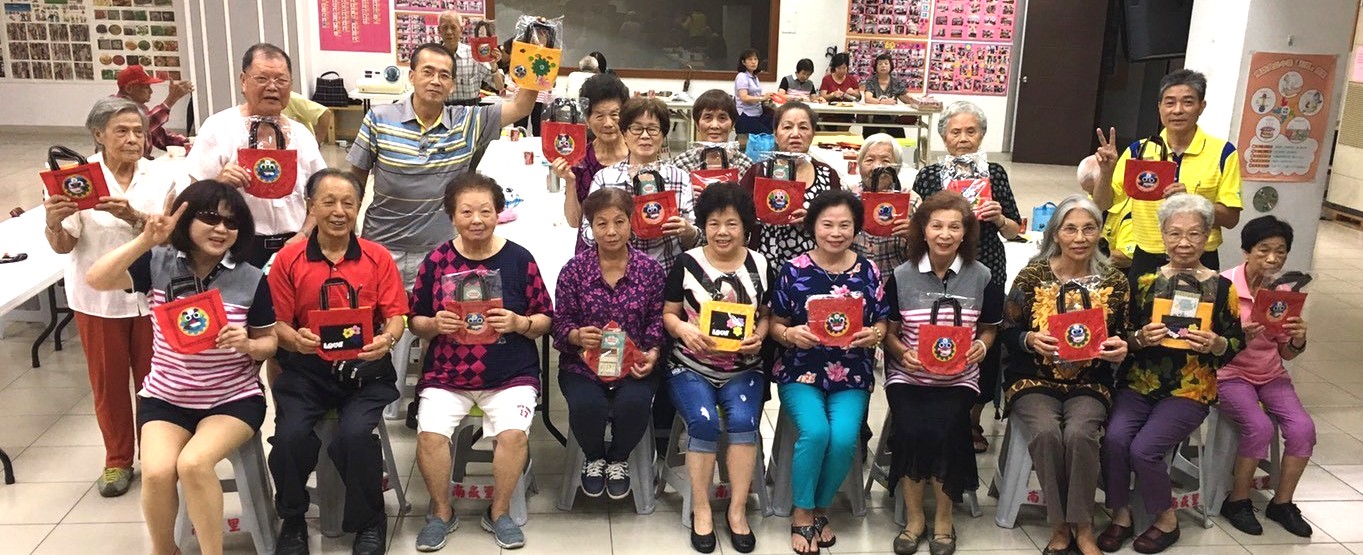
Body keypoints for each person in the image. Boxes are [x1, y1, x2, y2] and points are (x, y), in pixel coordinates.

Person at [85, 181, 277, 555]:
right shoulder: (158, 263)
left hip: (232, 399)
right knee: (157, 472)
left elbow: (268, 342)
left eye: (231, 222)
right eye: (210, 218)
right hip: (166, 398)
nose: (221, 229)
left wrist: (248, 344)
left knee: (193, 464)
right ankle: (164, 550)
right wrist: (146, 240)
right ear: (185, 219)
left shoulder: (251, 277)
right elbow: (96, 279)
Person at [266, 170, 410, 555]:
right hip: (306, 371)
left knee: (355, 436)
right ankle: (293, 519)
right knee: (290, 438)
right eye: (328, 202)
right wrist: (294, 339)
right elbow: (276, 323)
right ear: (310, 206)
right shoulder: (288, 259)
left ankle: (370, 522)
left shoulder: (377, 257)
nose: (339, 211)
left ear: (359, 207)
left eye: (348, 203)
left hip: (364, 372)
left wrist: (387, 339)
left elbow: (396, 315)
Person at [409, 173, 553, 551]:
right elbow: (414, 320)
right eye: (467, 212)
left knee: (513, 435)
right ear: (452, 216)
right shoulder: (436, 261)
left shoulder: (519, 259)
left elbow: (546, 319)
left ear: (499, 213)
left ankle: (499, 512)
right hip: (447, 374)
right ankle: (441, 513)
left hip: (510, 374)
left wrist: (520, 323)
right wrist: (434, 324)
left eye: (486, 211)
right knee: (430, 435)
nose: (477, 220)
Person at [42, 97, 175, 497]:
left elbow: (172, 237)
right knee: (109, 385)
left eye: (139, 131)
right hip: (97, 301)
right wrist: (53, 223)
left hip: (151, 296)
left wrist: (132, 216)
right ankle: (117, 460)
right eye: (122, 131)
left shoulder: (162, 175)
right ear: (98, 135)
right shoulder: (76, 178)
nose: (133, 139)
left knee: (156, 383)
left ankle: (157, 457)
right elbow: (65, 245)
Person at [1098, 193, 1245, 554]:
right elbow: (1120, 335)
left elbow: (1235, 341)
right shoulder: (1143, 282)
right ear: (1162, 235)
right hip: (1139, 382)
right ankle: (1121, 514)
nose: (1183, 242)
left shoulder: (1222, 288)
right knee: (1115, 440)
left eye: (1194, 234)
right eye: (1175, 233)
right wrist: (1138, 338)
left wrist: (1216, 344)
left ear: (1207, 236)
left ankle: (1166, 519)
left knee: (1145, 449)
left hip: (1190, 387)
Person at [999, 195, 1131, 555]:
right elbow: (1007, 330)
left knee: (1080, 434)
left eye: (1089, 228)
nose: (1080, 237)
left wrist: (1121, 346)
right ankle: (1060, 526)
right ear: (1055, 234)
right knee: (1046, 433)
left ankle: (1083, 527)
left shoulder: (1115, 281)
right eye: (1070, 229)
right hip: (1033, 379)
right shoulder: (1033, 276)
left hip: (1090, 381)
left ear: (1100, 232)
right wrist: (1029, 339)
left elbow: (1125, 333)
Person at [348, 42, 538, 288]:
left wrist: (537, 55)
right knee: (379, 312)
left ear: (452, 85)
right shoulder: (379, 118)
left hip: (439, 252)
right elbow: (356, 179)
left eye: (444, 75)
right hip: (381, 247)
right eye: (428, 72)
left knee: (436, 313)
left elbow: (521, 107)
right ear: (412, 76)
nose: (435, 81)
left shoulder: (467, 121)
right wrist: (348, 232)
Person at [881, 192, 1003, 555]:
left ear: (966, 233)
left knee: (949, 426)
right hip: (909, 376)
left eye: (954, 227)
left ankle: (944, 520)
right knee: (911, 427)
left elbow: (989, 329)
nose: (945, 234)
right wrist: (902, 353)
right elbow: (888, 333)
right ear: (923, 230)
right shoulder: (901, 276)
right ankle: (915, 519)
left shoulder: (982, 276)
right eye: (936, 226)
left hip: (959, 377)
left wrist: (981, 347)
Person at [768, 190, 890, 555]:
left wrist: (875, 334)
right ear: (812, 227)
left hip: (851, 374)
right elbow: (775, 323)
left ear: (856, 228)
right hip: (800, 371)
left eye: (844, 225)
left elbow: (883, 322)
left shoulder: (868, 271)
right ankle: (802, 512)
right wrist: (789, 335)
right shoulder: (794, 269)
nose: (836, 233)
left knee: (844, 437)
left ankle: (821, 506)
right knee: (816, 431)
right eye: (827, 224)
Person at [664, 183, 771, 554]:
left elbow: (766, 315)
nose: (722, 232)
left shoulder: (761, 264)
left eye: (731, 223)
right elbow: (668, 314)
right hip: (690, 366)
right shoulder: (687, 263)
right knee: (704, 421)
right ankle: (702, 508)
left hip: (744, 369)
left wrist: (759, 336)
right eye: (713, 223)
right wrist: (683, 330)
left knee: (743, 421)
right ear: (703, 226)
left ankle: (737, 511)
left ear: (745, 226)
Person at [912, 100, 1021, 453]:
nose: (963, 138)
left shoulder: (995, 173)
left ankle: (972, 418)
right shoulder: (929, 176)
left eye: (970, 131)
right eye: (955, 132)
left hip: (985, 265)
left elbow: (1014, 229)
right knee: (936, 331)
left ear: (982, 136)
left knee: (985, 338)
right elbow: (916, 227)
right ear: (943, 137)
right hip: (938, 267)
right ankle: (932, 403)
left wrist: (999, 218)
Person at [552, 188, 665, 501]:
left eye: (619, 221)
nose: (611, 231)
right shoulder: (574, 271)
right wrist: (576, 336)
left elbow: (657, 320)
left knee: (634, 404)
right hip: (582, 367)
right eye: (601, 224)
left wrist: (652, 354)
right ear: (590, 227)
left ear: (631, 222)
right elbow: (559, 322)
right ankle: (593, 457)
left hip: (634, 365)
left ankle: (618, 459)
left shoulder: (650, 271)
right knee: (587, 405)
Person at [1090, 69, 1243, 280]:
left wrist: (1193, 202)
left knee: (1200, 304)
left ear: (1201, 107)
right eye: (1170, 103)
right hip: (1146, 257)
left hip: (1199, 258)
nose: (1177, 110)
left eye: (1187, 102)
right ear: (1160, 107)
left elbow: (1231, 218)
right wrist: (1106, 173)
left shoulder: (1223, 153)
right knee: (1140, 303)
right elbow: (1102, 203)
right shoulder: (1138, 151)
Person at [184, 43, 327, 269]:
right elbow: (191, 198)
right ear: (243, 81)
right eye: (262, 79)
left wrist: (305, 233)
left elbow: (323, 195)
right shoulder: (218, 127)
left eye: (281, 80)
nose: (272, 87)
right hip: (236, 246)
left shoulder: (301, 135)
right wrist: (218, 183)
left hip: (294, 246)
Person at [1216, 216, 1315, 538]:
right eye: (1264, 250)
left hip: (1271, 375)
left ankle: (1282, 503)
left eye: (1280, 251)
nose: (1272, 258)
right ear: (1246, 251)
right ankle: (1237, 501)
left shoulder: (1283, 293)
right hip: (1230, 375)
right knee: (1258, 427)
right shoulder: (1223, 287)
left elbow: (1287, 353)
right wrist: (1236, 336)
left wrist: (1298, 339)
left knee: (1303, 429)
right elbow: (1207, 347)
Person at [570, 97, 700, 271]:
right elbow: (587, 232)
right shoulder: (605, 178)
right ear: (624, 134)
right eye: (636, 129)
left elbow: (695, 239)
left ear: (663, 135)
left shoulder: (680, 177)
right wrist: (614, 229)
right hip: (619, 274)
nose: (645, 136)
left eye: (653, 129)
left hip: (667, 272)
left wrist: (687, 231)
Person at [739, 102, 843, 269]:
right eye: (787, 127)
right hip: (764, 263)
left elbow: (841, 220)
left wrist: (814, 220)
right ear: (775, 134)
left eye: (803, 127)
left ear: (813, 133)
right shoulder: (758, 172)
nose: (795, 134)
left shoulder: (828, 175)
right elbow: (739, 217)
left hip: (814, 266)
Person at [556, 73, 631, 237]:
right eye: (599, 116)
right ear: (587, 120)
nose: (608, 123)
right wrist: (570, 182)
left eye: (615, 114)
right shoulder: (580, 159)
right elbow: (574, 221)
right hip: (592, 245)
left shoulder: (638, 154)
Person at [851, 133, 920, 277]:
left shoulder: (912, 201)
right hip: (855, 278)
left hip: (898, 280)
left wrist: (915, 236)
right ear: (859, 165)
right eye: (869, 160)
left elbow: (927, 253)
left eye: (885, 160)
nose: (877, 167)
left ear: (898, 166)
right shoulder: (849, 197)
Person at [113, 65, 193, 157]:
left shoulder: (140, 108)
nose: (151, 91)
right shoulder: (115, 108)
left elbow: (159, 135)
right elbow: (143, 126)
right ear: (129, 88)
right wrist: (171, 99)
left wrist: (188, 141)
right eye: (146, 87)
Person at [669, 89, 754, 175]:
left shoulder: (745, 165)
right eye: (708, 117)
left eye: (722, 118)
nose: (714, 125)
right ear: (697, 124)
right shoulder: (681, 165)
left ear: (732, 124)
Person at [437, 11, 505, 105]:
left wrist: (493, 65)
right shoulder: (433, 57)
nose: (449, 32)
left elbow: (499, 86)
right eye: (445, 27)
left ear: (461, 30)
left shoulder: (473, 54)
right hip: (444, 110)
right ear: (439, 30)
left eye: (453, 27)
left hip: (472, 110)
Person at [1078, 154, 1133, 269]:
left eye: (1092, 192)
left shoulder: (1131, 212)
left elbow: (1126, 258)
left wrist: (1087, 253)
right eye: (1088, 193)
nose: (1092, 197)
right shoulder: (1095, 200)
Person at [862, 53, 912, 138]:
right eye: (880, 64)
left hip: (892, 118)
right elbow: (868, 99)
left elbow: (907, 99)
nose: (883, 66)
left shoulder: (896, 82)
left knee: (900, 138)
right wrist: (883, 102)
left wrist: (921, 101)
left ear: (891, 66)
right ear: (875, 67)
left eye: (886, 63)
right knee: (869, 138)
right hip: (873, 118)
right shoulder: (871, 81)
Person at [734, 48, 773, 137]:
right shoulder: (742, 76)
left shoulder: (754, 76)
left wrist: (767, 97)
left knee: (776, 125)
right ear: (743, 62)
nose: (753, 62)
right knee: (768, 136)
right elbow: (744, 97)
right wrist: (762, 98)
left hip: (758, 113)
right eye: (750, 59)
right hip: (746, 116)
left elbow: (755, 95)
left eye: (755, 59)